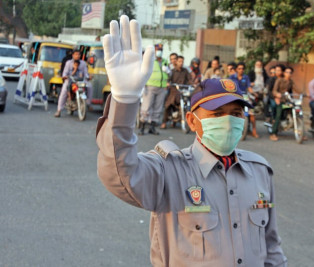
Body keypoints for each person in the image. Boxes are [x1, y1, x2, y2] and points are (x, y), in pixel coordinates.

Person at [97, 16, 287, 267]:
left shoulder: (260, 171)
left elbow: (271, 244)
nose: (229, 121)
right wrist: (125, 99)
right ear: (192, 120)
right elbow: (118, 174)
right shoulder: (169, 171)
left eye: (236, 113)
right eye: (218, 114)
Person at [138, 43, 169, 135]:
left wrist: (168, 71)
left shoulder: (164, 61)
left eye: (161, 50)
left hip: (161, 87)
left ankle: (152, 127)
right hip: (150, 86)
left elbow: (168, 73)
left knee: (158, 109)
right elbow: (143, 71)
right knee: (146, 107)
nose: (159, 52)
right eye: (158, 50)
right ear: (154, 51)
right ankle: (142, 127)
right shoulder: (150, 60)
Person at [54, 48, 93, 117]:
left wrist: (88, 77)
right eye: (76, 54)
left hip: (80, 81)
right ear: (73, 55)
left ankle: (88, 103)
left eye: (79, 54)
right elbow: (64, 74)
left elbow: (86, 73)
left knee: (89, 86)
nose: (78, 56)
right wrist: (74, 70)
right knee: (64, 92)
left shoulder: (83, 63)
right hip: (70, 80)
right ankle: (59, 110)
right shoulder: (68, 63)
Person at [269, 66, 302, 141]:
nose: (288, 74)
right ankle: (273, 133)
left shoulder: (291, 81)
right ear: (284, 73)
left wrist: (304, 93)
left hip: (288, 100)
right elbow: (274, 90)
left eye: (290, 72)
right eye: (287, 72)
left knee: (297, 109)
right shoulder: (279, 80)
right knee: (278, 115)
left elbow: (296, 89)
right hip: (280, 100)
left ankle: (300, 131)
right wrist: (277, 95)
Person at [161, 55, 192, 129]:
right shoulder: (172, 71)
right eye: (179, 61)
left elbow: (189, 79)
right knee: (167, 105)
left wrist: (192, 84)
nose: (181, 63)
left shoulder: (185, 71)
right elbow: (168, 79)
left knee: (188, 104)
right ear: (176, 62)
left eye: (182, 62)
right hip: (173, 92)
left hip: (183, 92)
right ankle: (164, 122)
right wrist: (168, 83)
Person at [230, 62, 259, 138]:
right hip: (234, 96)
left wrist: (254, 93)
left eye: (242, 68)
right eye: (239, 68)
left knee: (252, 112)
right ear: (236, 69)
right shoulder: (232, 77)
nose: (241, 70)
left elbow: (249, 88)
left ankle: (254, 130)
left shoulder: (246, 77)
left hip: (245, 96)